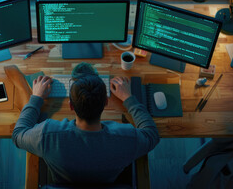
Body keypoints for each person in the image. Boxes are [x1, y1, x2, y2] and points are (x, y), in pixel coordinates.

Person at [12, 63, 160, 185]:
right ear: (106, 103)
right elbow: (152, 135)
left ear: (71, 106)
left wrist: (36, 97)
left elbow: (18, 134)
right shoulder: (126, 138)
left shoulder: (47, 135)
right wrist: (129, 98)